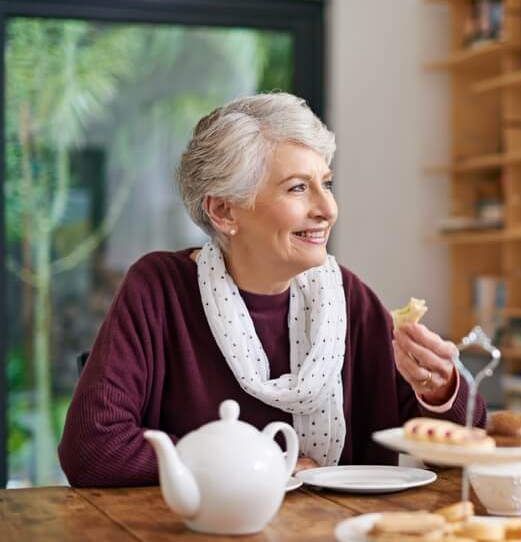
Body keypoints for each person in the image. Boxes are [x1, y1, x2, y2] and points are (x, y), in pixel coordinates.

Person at [60, 93, 485, 487]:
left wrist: (440, 389)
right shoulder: (159, 291)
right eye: (298, 188)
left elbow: (464, 452)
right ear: (223, 210)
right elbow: (93, 451)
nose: (328, 209)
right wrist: (259, 462)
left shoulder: (348, 301)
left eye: (326, 183)